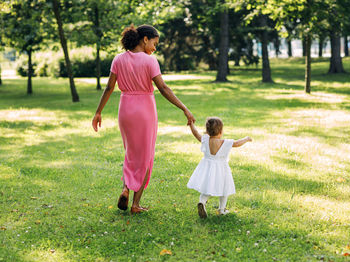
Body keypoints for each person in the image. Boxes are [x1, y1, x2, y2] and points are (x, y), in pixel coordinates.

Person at [92, 24, 195, 214]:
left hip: (125, 110)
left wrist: (98, 112)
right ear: (145, 39)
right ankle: (135, 204)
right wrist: (185, 108)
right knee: (146, 156)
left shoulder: (118, 59)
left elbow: (108, 88)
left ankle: (125, 189)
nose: (155, 48)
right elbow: (163, 88)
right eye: (154, 43)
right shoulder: (150, 61)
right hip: (145, 110)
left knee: (130, 153)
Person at [187, 117, 252, 218]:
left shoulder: (205, 139)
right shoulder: (225, 142)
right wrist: (246, 139)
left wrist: (191, 125)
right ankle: (221, 209)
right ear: (221, 131)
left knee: (207, 188)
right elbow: (237, 143)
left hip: (207, 168)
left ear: (207, 131)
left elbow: (196, 133)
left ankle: (202, 202)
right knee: (224, 188)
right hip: (221, 169)